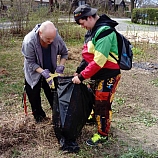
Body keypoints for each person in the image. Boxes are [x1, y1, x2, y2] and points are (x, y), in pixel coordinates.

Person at [72, 4, 121, 146]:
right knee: (92, 98)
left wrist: (81, 77)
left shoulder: (105, 31)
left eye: (82, 23)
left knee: (102, 104)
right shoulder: (93, 30)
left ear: (89, 18)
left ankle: (103, 135)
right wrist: (79, 70)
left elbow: (99, 61)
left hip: (108, 75)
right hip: (97, 74)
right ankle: (95, 118)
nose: (82, 27)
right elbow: (88, 56)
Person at [21, 21, 68, 123]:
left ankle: (58, 117)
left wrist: (60, 66)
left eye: (53, 38)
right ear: (40, 33)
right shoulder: (29, 41)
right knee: (34, 96)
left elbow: (64, 53)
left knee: (54, 96)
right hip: (33, 72)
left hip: (51, 72)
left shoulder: (56, 37)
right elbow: (31, 63)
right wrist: (43, 72)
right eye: (48, 39)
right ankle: (39, 117)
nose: (51, 41)